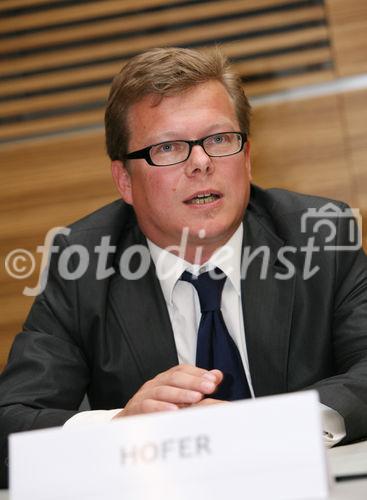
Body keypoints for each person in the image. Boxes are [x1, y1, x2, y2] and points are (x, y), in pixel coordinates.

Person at [1, 47, 367, 488]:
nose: (201, 162)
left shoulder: (320, 237)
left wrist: (275, 428)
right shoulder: (82, 264)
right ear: (124, 180)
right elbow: (10, 423)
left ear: (246, 157)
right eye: (168, 147)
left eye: (218, 139)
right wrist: (122, 429)